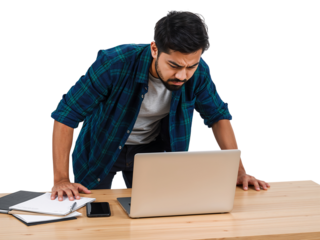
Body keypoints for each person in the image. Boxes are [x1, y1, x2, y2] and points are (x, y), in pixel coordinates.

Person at [49, 9, 270, 202]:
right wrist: (60, 179)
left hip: (152, 151)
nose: (182, 75)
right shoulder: (114, 63)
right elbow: (67, 114)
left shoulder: (199, 71)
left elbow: (218, 116)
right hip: (102, 146)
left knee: (157, 214)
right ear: (154, 49)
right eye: (173, 65)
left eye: (190, 66)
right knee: (93, 213)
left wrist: (240, 171)